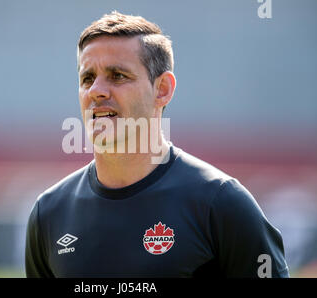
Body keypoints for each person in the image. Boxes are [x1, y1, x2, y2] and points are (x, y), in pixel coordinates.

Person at [25, 11, 289, 278]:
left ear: (162, 89)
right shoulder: (49, 213)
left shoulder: (220, 203)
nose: (96, 91)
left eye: (117, 75)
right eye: (87, 78)